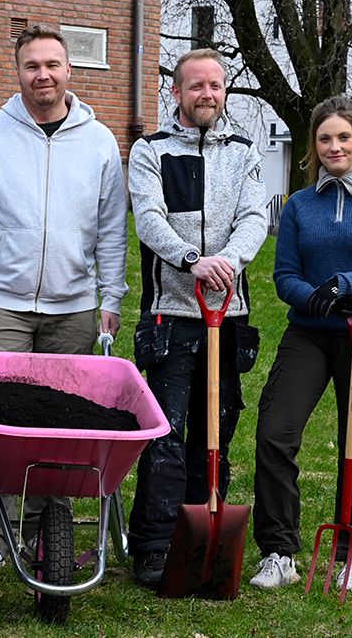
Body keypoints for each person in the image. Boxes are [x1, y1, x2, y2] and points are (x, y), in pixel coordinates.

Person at [0, 24, 128, 574]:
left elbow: (112, 229)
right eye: (31, 66)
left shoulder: (98, 142)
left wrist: (110, 296)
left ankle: (53, 529)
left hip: (73, 307)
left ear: (70, 70)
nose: (42, 74)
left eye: (52, 64)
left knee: (65, 427)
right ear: (16, 72)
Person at [247, 97, 352, 591]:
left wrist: (348, 284)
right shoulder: (299, 205)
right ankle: (279, 551)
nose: (334, 146)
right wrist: (316, 298)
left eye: (343, 137)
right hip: (310, 336)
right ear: (313, 147)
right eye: (325, 139)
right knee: (275, 433)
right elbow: (285, 277)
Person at [125, 48, 268, 589]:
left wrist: (227, 262)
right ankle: (155, 546)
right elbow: (150, 219)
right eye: (195, 86)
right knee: (164, 434)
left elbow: (255, 215)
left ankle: (202, 539)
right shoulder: (151, 150)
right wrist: (192, 260)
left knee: (218, 430)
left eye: (215, 85)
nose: (207, 94)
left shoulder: (244, 151)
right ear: (177, 93)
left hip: (228, 315)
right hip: (171, 316)